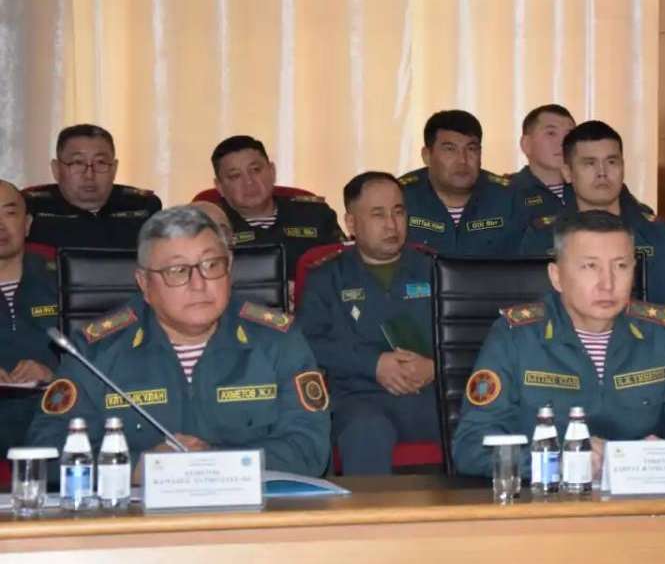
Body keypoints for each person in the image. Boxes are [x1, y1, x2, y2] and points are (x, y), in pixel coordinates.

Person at [26, 205, 330, 477]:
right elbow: (48, 451)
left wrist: (212, 463)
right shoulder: (94, 349)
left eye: (212, 265)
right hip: (137, 521)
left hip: (248, 518)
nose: (199, 284)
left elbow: (309, 450)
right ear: (144, 283)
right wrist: (136, 467)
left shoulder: (278, 340)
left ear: (230, 267)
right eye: (177, 271)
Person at [452, 210, 665, 478]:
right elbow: (472, 445)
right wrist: (560, 462)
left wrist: (663, 459)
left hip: (641, 509)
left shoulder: (662, 334)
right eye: (590, 266)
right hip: (548, 508)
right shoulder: (515, 337)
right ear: (557, 276)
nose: (607, 283)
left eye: (620, 266)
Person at [297, 172, 439, 474]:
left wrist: (436, 367)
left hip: (429, 394)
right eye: (378, 215)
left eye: (398, 212)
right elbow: (307, 343)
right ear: (351, 224)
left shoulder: (435, 270)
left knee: (482, 424)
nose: (391, 224)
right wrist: (373, 364)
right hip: (359, 399)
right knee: (366, 432)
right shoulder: (325, 277)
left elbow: (466, 338)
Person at [520, 120, 665, 330]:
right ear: (567, 172)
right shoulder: (543, 235)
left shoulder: (653, 231)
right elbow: (530, 314)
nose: (602, 172)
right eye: (589, 163)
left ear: (623, 166)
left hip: (642, 352)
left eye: (611, 162)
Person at [208, 135, 345, 282]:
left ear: (272, 171)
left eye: (255, 170)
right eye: (235, 176)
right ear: (220, 187)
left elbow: (346, 266)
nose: (249, 182)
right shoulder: (208, 226)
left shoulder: (315, 215)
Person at [398, 110, 522, 256]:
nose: (462, 160)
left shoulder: (509, 198)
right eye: (450, 149)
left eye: (471, 149)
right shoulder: (400, 196)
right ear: (427, 156)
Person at [24, 124, 162, 250]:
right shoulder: (32, 206)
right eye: (77, 163)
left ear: (114, 169)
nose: (89, 175)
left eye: (100, 162)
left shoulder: (143, 207)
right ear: (56, 169)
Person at [0, 181, 59, 457]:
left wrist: (52, 375)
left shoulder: (62, 279)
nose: (0, 224)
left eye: (9, 213)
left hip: (51, 414)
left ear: (27, 223)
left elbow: (97, 357)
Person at [510, 104, 575, 221]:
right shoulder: (505, 194)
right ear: (526, 144)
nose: (563, 142)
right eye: (551, 133)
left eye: (569, 134)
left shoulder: (588, 187)